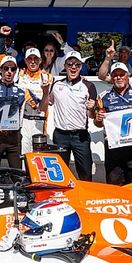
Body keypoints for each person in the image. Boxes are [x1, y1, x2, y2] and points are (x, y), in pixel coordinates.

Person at [47, 50, 98, 181]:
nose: (73, 67)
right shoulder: (56, 84)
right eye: (70, 64)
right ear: (65, 66)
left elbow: (92, 116)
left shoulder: (89, 86)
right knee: (59, 174)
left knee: (85, 172)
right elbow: (47, 103)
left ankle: (85, 199)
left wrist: (92, 109)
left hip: (80, 136)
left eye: (77, 64)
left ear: (81, 66)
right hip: (60, 135)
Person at [0, 55, 29, 168]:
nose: (9, 72)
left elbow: (40, 107)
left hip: (13, 137)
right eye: (6, 68)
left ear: (16, 71)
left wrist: (46, 90)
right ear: (0, 70)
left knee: (17, 174)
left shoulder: (23, 90)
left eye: (13, 69)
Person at [17, 47, 53, 155]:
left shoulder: (47, 77)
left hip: (40, 121)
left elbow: (46, 104)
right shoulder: (19, 75)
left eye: (36, 59)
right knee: (24, 155)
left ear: (40, 60)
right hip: (23, 121)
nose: (33, 61)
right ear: (25, 60)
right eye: (30, 58)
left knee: (38, 156)